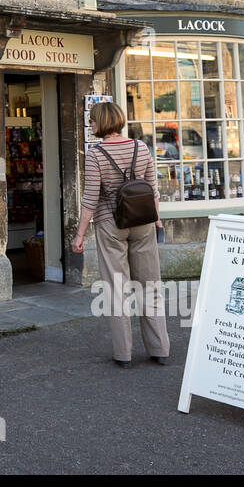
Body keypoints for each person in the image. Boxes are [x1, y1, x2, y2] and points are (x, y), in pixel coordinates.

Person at [70, 101, 171, 368]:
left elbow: (90, 199)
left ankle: (124, 354)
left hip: (111, 224)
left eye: (93, 121)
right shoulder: (141, 147)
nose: (90, 124)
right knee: (150, 285)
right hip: (144, 222)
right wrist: (157, 220)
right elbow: (153, 190)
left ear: (102, 123)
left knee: (117, 289)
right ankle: (159, 349)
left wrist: (79, 235)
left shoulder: (95, 154)